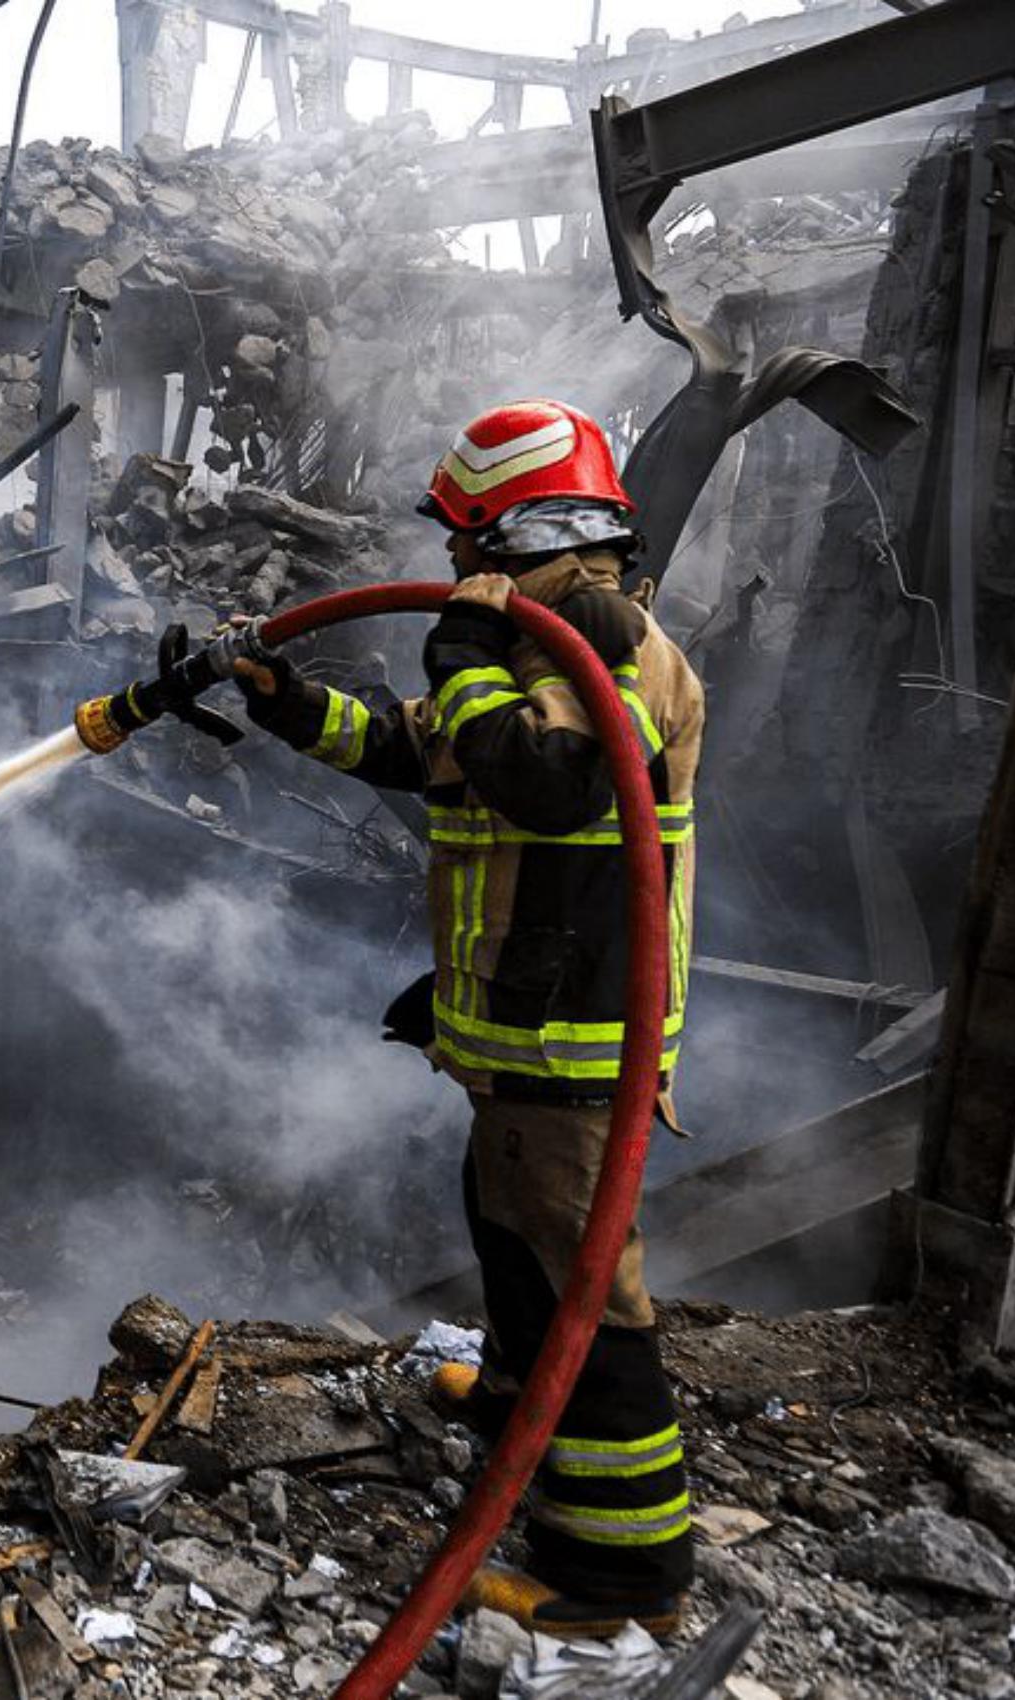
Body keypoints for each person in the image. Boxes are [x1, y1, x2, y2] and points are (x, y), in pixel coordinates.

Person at [230, 399, 702, 1637]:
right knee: (508, 1233)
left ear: (518, 532)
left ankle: (619, 1576)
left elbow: (546, 783)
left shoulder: (609, 648)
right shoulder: (532, 648)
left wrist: (464, 650)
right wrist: (286, 701)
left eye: (463, 535)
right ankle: (509, 1398)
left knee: (584, 1294)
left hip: (573, 1036)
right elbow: (420, 748)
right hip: (516, 1030)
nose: (447, 557)